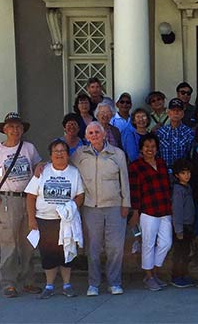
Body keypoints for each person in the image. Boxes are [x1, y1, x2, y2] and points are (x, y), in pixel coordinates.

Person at [0, 112, 43, 298]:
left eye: (18, 127)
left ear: (22, 129)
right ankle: (8, 283)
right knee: (9, 243)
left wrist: (40, 166)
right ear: (5, 129)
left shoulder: (29, 148)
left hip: (28, 199)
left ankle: (28, 281)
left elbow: (37, 165)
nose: (15, 130)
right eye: (11, 127)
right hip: (8, 199)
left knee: (27, 243)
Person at [72, 122, 130, 296]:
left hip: (114, 206)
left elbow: (124, 180)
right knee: (93, 248)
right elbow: (63, 166)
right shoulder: (80, 154)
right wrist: (42, 165)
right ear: (86, 136)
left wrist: (126, 203)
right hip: (91, 207)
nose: (94, 135)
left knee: (115, 247)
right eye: (91, 132)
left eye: (97, 132)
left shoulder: (117, 154)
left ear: (104, 134)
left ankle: (114, 282)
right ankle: (94, 284)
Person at [24, 139, 85, 299]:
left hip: (66, 221)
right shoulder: (42, 171)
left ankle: (67, 285)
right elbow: (30, 196)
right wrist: (31, 219)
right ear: (50, 155)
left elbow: (80, 195)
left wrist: (71, 209)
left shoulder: (74, 172)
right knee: (48, 254)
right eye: (56, 151)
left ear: (67, 154)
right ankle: (49, 285)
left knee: (66, 253)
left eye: (62, 151)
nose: (59, 154)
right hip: (45, 220)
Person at [128, 133, 173, 292]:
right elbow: (134, 191)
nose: (150, 149)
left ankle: (153, 272)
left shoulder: (161, 163)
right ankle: (149, 277)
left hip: (164, 209)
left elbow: (167, 186)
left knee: (166, 242)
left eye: (153, 146)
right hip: (147, 210)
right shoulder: (135, 166)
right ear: (141, 148)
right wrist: (135, 212)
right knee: (147, 244)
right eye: (147, 146)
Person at [170, 161, 196, 288]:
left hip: (189, 226)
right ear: (176, 175)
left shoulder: (188, 187)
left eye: (188, 172)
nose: (187, 175)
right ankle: (176, 276)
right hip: (182, 228)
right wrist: (178, 230)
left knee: (186, 253)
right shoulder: (178, 190)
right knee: (179, 253)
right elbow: (177, 210)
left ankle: (184, 274)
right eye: (183, 173)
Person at [155, 98, 196, 175]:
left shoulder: (189, 133)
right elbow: (156, 155)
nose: (176, 112)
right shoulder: (160, 133)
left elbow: (191, 155)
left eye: (179, 110)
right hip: (164, 173)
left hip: (182, 175)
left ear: (183, 113)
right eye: (173, 110)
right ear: (168, 113)